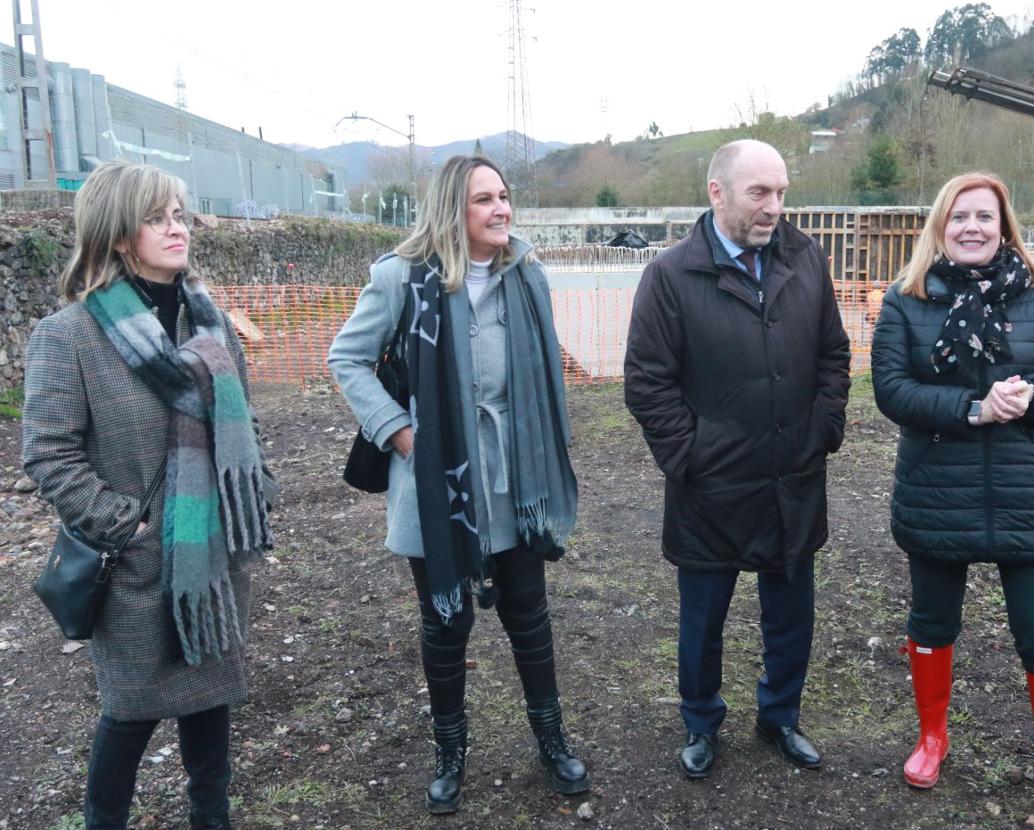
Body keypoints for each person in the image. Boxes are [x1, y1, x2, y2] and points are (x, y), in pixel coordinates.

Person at [328, 155, 587, 814]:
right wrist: (401, 433)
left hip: (513, 481)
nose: (501, 209)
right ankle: (449, 751)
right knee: (446, 624)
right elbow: (347, 358)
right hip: (435, 486)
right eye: (483, 200)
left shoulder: (526, 276)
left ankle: (551, 738)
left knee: (529, 615)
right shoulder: (398, 280)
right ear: (453, 210)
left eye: (504, 196)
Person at [22, 160, 276, 830]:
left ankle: (211, 820)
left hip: (211, 563)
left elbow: (242, 424)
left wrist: (257, 489)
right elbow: (48, 454)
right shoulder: (69, 335)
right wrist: (126, 529)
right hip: (138, 572)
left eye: (179, 214)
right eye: (157, 217)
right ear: (116, 233)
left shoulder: (210, 325)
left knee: (209, 706)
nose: (176, 227)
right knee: (128, 716)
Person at [871, 172, 1034, 822]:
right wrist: (973, 407)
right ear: (940, 226)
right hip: (936, 492)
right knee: (932, 625)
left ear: (1004, 227)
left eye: (985, 217)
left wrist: (1033, 393)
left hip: (1027, 496)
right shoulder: (906, 300)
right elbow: (892, 392)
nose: (972, 227)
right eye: (960, 217)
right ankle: (931, 738)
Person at [624, 139, 852, 779]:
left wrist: (823, 429)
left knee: (791, 615)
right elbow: (646, 382)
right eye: (760, 193)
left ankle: (780, 715)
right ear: (717, 192)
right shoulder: (670, 276)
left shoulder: (804, 258)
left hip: (792, 477)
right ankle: (701, 721)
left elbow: (833, 354)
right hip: (711, 488)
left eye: (781, 192)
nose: (775, 206)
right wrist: (690, 457)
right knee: (702, 622)